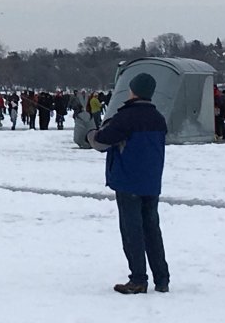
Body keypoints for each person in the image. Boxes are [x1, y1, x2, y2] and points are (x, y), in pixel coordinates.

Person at [86, 73, 169, 295]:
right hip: (151, 182)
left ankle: (138, 280)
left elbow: (102, 142)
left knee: (132, 231)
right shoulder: (158, 118)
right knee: (152, 229)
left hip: (129, 182)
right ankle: (162, 279)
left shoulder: (126, 117)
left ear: (133, 91)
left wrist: (91, 133)